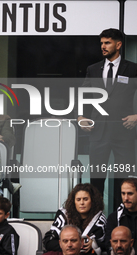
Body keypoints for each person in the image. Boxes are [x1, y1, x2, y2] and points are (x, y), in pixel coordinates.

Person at [77, 28, 137, 206]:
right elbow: (83, 95)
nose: (103, 46)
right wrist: (80, 116)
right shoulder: (93, 69)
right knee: (96, 180)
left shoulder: (133, 69)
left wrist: (136, 116)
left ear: (118, 45)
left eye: (107, 43)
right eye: (101, 43)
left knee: (124, 180)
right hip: (98, 132)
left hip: (124, 132)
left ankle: (123, 222)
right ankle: (96, 221)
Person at [43, 183, 106, 254]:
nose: (82, 203)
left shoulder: (99, 220)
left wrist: (95, 245)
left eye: (85, 199)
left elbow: (106, 245)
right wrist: (69, 248)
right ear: (74, 202)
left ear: (92, 201)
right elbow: (48, 242)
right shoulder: (64, 215)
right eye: (78, 199)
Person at [105, 178, 137, 252]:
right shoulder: (114, 218)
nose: (126, 198)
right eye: (123, 193)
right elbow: (108, 244)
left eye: (130, 194)